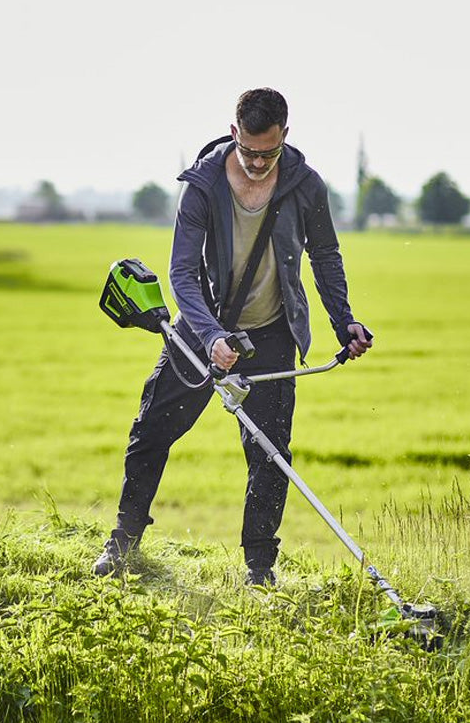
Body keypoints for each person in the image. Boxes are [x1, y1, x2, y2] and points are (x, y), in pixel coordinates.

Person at [94, 87, 372, 585]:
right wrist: (210, 337)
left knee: (269, 451)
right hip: (203, 327)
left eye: (269, 152)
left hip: (270, 333)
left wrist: (343, 319)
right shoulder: (202, 185)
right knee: (152, 429)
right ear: (232, 134)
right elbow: (181, 274)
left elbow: (325, 255)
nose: (259, 162)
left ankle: (259, 569)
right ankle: (123, 543)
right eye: (248, 151)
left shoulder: (306, 186)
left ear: (285, 136)